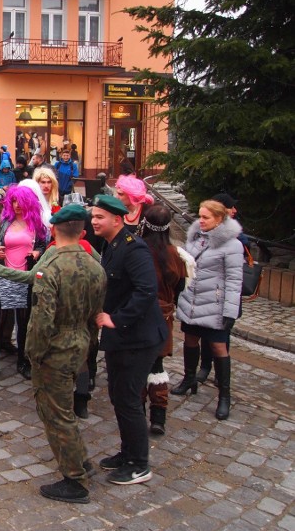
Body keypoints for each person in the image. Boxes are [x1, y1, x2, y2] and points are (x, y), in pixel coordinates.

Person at [0, 205, 105, 503]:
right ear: (82, 232)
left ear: (54, 230)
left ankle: (75, 480)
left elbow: (42, 319)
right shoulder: (96, 265)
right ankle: (80, 460)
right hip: (81, 343)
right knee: (65, 409)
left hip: (54, 348)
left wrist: (33, 353)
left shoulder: (51, 268)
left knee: (57, 414)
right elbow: (96, 313)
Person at [90, 194, 167, 485]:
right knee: (118, 397)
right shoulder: (112, 246)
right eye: (94, 216)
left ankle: (139, 464)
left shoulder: (134, 249)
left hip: (138, 338)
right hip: (120, 338)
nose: (94, 221)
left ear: (117, 220)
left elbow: (146, 291)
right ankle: (127, 452)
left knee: (129, 399)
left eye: (100, 217)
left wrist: (116, 319)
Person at [171, 200, 243, 421]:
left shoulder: (232, 245)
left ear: (219, 219)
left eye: (206, 217)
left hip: (215, 304)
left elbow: (233, 280)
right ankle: (189, 378)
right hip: (192, 301)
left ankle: (224, 395)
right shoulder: (194, 238)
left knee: (219, 347)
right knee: (190, 339)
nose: (200, 221)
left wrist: (230, 311)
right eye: (200, 216)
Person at [0, 185, 48, 381]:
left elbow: (43, 245)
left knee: (23, 323)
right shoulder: (2, 221)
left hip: (27, 277)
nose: (17, 206)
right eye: (14, 202)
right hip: (4, 275)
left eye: (21, 203)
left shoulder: (36, 224)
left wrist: (37, 252)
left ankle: (23, 361)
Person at [137, 204, 187, 435]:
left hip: (140, 315)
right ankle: (158, 418)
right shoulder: (175, 254)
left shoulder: (138, 251)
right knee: (156, 365)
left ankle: (138, 412)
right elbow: (180, 287)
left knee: (137, 366)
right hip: (164, 317)